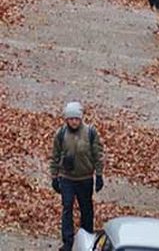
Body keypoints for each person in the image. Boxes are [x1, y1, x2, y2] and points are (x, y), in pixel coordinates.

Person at [50, 102, 104, 251]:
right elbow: (55, 156)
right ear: (66, 119)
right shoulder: (60, 134)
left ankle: (87, 238)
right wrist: (54, 176)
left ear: (81, 119)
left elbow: (98, 155)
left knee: (86, 208)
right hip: (67, 178)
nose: (74, 121)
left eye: (77, 118)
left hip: (85, 178)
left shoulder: (90, 133)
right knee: (67, 208)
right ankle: (68, 241)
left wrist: (99, 175)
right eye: (71, 118)